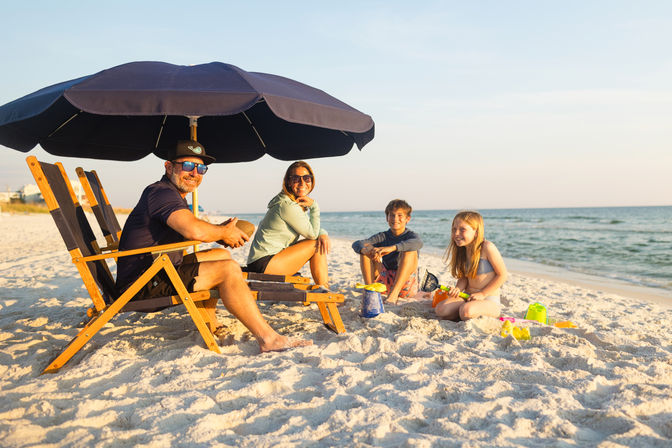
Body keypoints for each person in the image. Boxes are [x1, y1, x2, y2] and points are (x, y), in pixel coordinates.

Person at [115, 140, 310, 352]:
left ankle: (210, 323)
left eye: (201, 169)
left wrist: (220, 232)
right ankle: (269, 339)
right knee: (227, 270)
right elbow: (194, 231)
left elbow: (193, 229)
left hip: (157, 267)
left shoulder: (169, 194)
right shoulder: (161, 194)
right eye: (188, 166)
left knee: (221, 254)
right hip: (142, 283)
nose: (194, 173)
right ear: (169, 167)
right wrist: (224, 232)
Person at [246, 161, 330, 287]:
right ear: (289, 182)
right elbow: (312, 234)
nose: (302, 183)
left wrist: (322, 233)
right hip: (265, 263)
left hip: (264, 260)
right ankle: (325, 291)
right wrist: (314, 207)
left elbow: (308, 226)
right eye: (296, 178)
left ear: (311, 181)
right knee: (316, 244)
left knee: (317, 242)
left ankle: (324, 289)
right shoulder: (287, 205)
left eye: (306, 178)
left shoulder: (287, 202)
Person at [435, 210, 508, 321]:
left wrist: (483, 294)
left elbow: (502, 275)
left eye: (462, 229)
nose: (456, 233)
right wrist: (458, 289)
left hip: (488, 299)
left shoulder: (487, 247)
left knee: (466, 311)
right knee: (440, 309)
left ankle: (467, 312)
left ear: (476, 232)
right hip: (467, 296)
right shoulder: (463, 251)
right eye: (454, 229)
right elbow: (464, 277)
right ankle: (464, 312)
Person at [352, 199, 423, 304]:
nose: (395, 219)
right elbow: (357, 243)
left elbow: (418, 243)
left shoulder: (411, 236)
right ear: (387, 218)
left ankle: (393, 295)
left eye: (400, 215)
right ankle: (370, 291)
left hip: (405, 285)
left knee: (410, 251)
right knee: (365, 250)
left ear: (408, 219)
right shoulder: (382, 236)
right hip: (384, 284)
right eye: (392, 215)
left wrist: (392, 248)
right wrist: (367, 249)